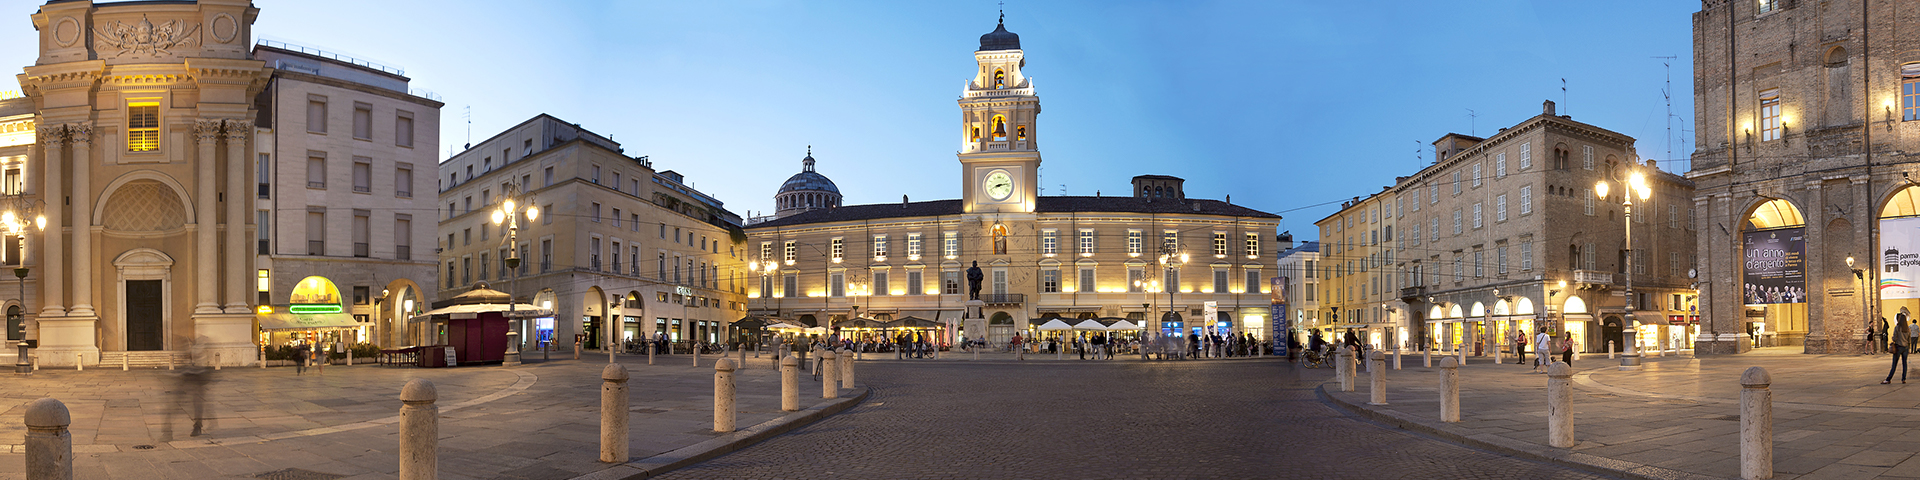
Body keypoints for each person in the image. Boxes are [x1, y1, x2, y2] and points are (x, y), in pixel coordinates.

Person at [1887, 317, 1912, 384]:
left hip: (1898, 347)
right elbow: (1909, 340)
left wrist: (1893, 338)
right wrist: (1909, 349)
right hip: (1905, 348)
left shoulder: (1897, 328)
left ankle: (1888, 379)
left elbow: (1894, 338)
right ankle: (1903, 379)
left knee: (1894, 364)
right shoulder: (1908, 329)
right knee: (1905, 364)